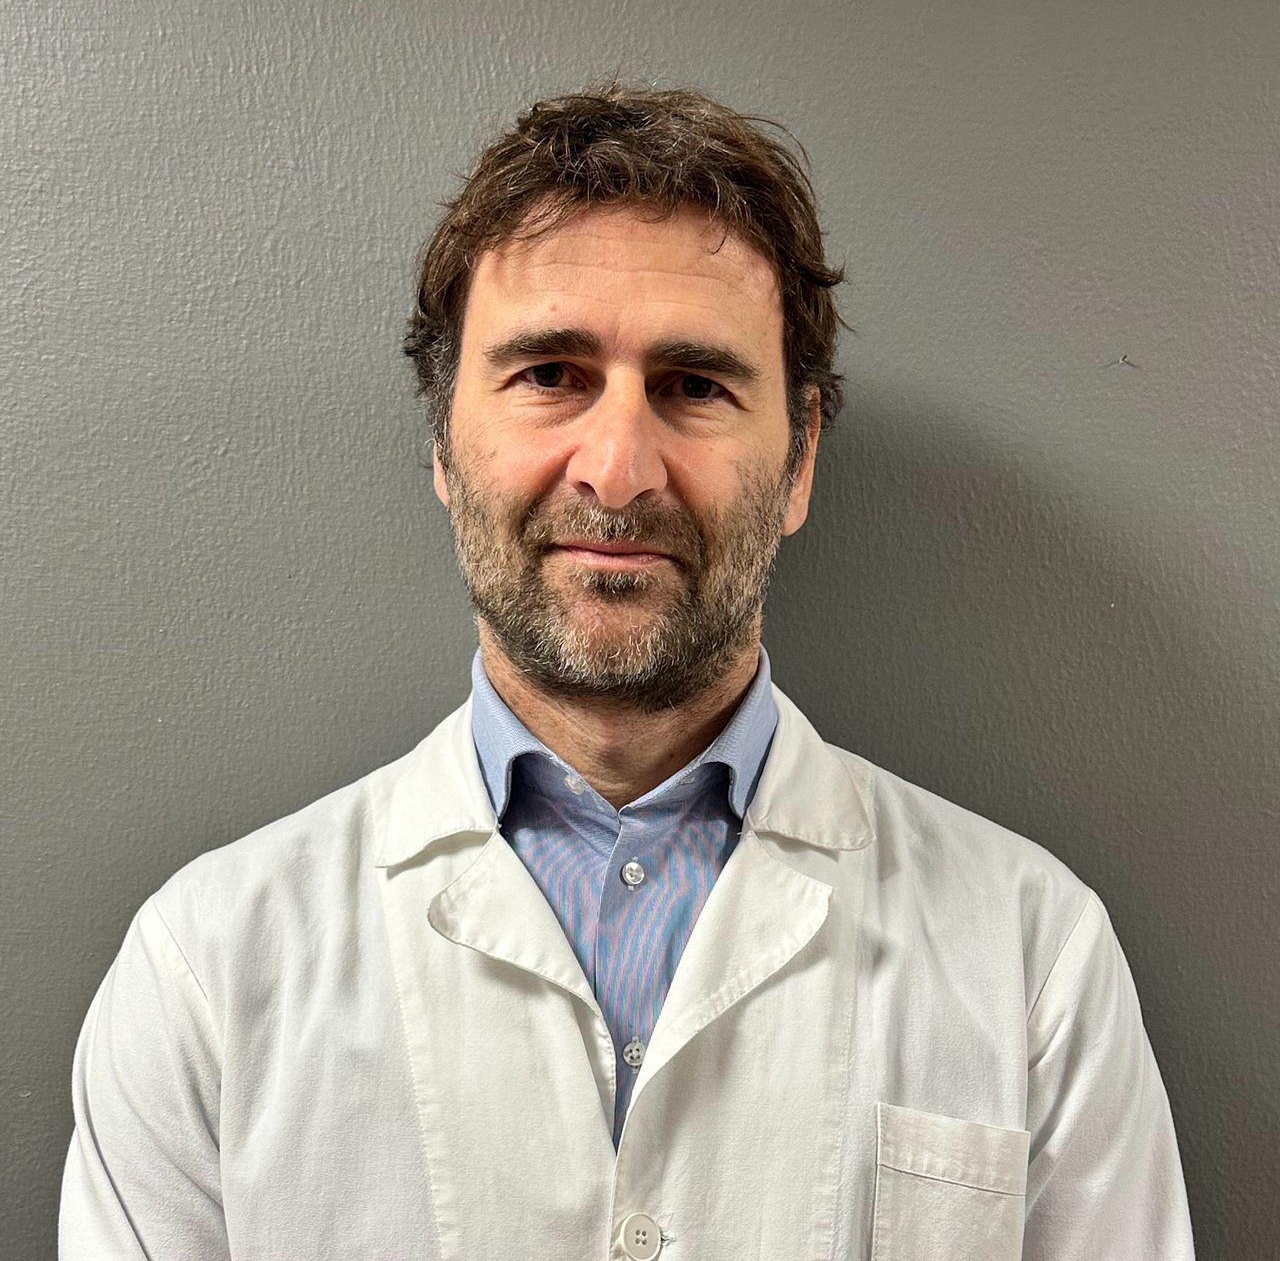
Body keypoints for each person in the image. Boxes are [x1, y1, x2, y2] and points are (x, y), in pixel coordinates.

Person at [60, 83, 1195, 1260]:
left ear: (799, 458)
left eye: (694, 385)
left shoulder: (1030, 956)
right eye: (549, 373)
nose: (616, 469)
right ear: (443, 446)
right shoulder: (207, 970)